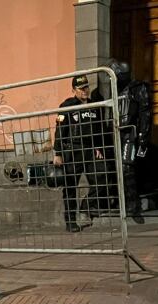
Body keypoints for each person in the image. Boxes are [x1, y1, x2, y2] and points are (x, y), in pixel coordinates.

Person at [87, 61, 152, 224]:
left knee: (127, 168)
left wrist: (143, 138)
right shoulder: (107, 90)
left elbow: (145, 113)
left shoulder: (138, 88)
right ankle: (111, 202)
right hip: (111, 133)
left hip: (129, 132)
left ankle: (133, 207)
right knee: (108, 169)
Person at [52, 75, 106, 232]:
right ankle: (70, 222)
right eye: (81, 88)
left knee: (101, 179)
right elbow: (60, 131)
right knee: (70, 188)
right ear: (73, 90)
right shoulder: (67, 106)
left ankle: (85, 206)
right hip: (72, 151)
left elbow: (98, 129)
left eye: (86, 87)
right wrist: (58, 153)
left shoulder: (94, 106)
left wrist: (98, 147)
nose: (85, 91)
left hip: (90, 150)